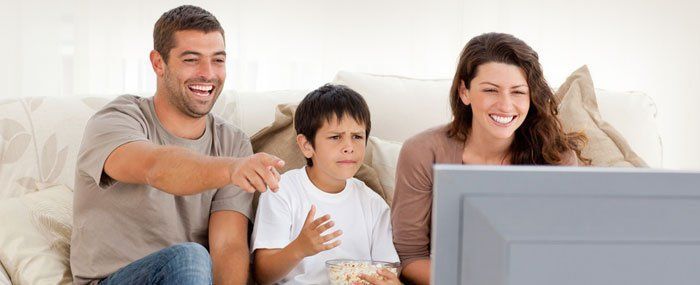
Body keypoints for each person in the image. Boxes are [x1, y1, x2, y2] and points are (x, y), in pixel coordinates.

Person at [70, 5, 285, 284]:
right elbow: (155, 167)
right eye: (192, 60)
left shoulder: (232, 143)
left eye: (218, 60)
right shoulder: (116, 120)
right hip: (113, 280)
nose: (208, 74)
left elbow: (227, 247)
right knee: (191, 257)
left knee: (200, 259)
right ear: (158, 63)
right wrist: (232, 170)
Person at [391, 32, 589, 284]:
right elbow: (409, 255)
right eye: (491, 90)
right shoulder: (421, 152)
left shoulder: (556, 158)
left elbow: (564, 255)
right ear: (465, 92)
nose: (505, 105)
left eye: (518, 92)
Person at [251, 84, 401, 285]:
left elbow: (388, 270)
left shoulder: (373, 203)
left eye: (357, 136)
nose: (349, 147)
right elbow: (263, 275)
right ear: (306, 145)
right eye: (335, 137)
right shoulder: (282, 191)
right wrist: (299, 248)